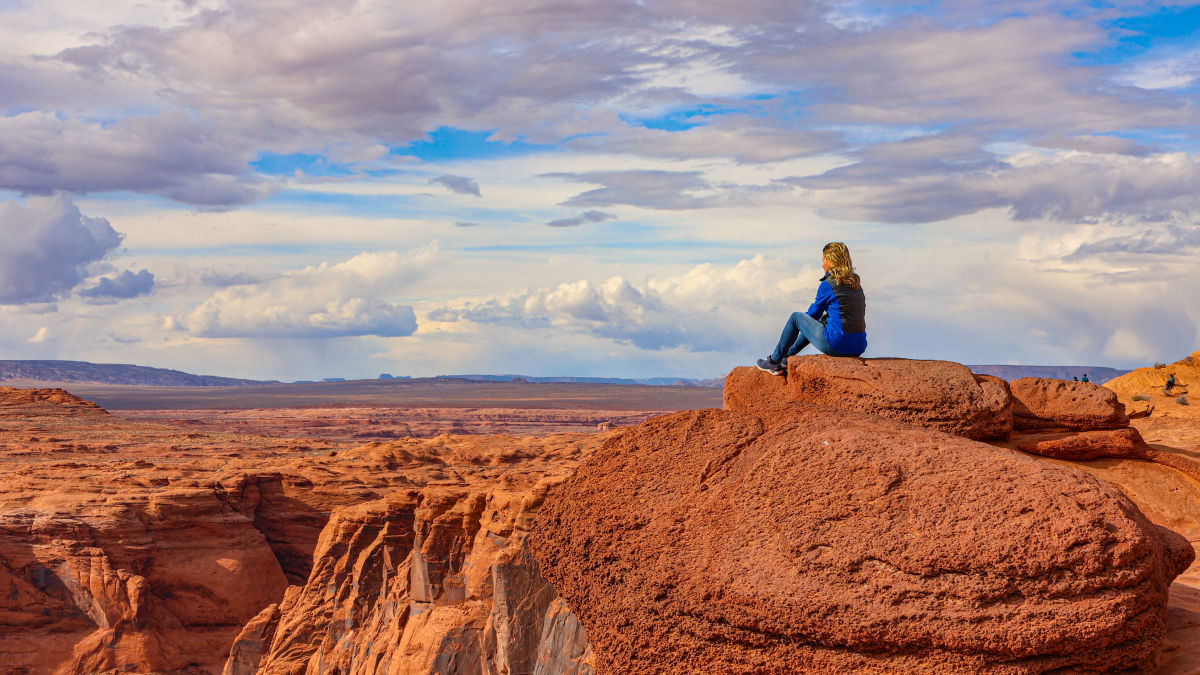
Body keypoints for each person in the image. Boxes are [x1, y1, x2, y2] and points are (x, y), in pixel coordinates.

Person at [757, 242, 866, 376]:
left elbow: (813, 314)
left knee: (796, 318)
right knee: (822, 319)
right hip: (859, 346)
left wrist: (804, 322)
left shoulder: (829, 284)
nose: (822, 265)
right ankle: (787, 358)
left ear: (831, 261)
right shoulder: (856, 285)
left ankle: (774, 361)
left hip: (837, 345)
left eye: (823, 260)